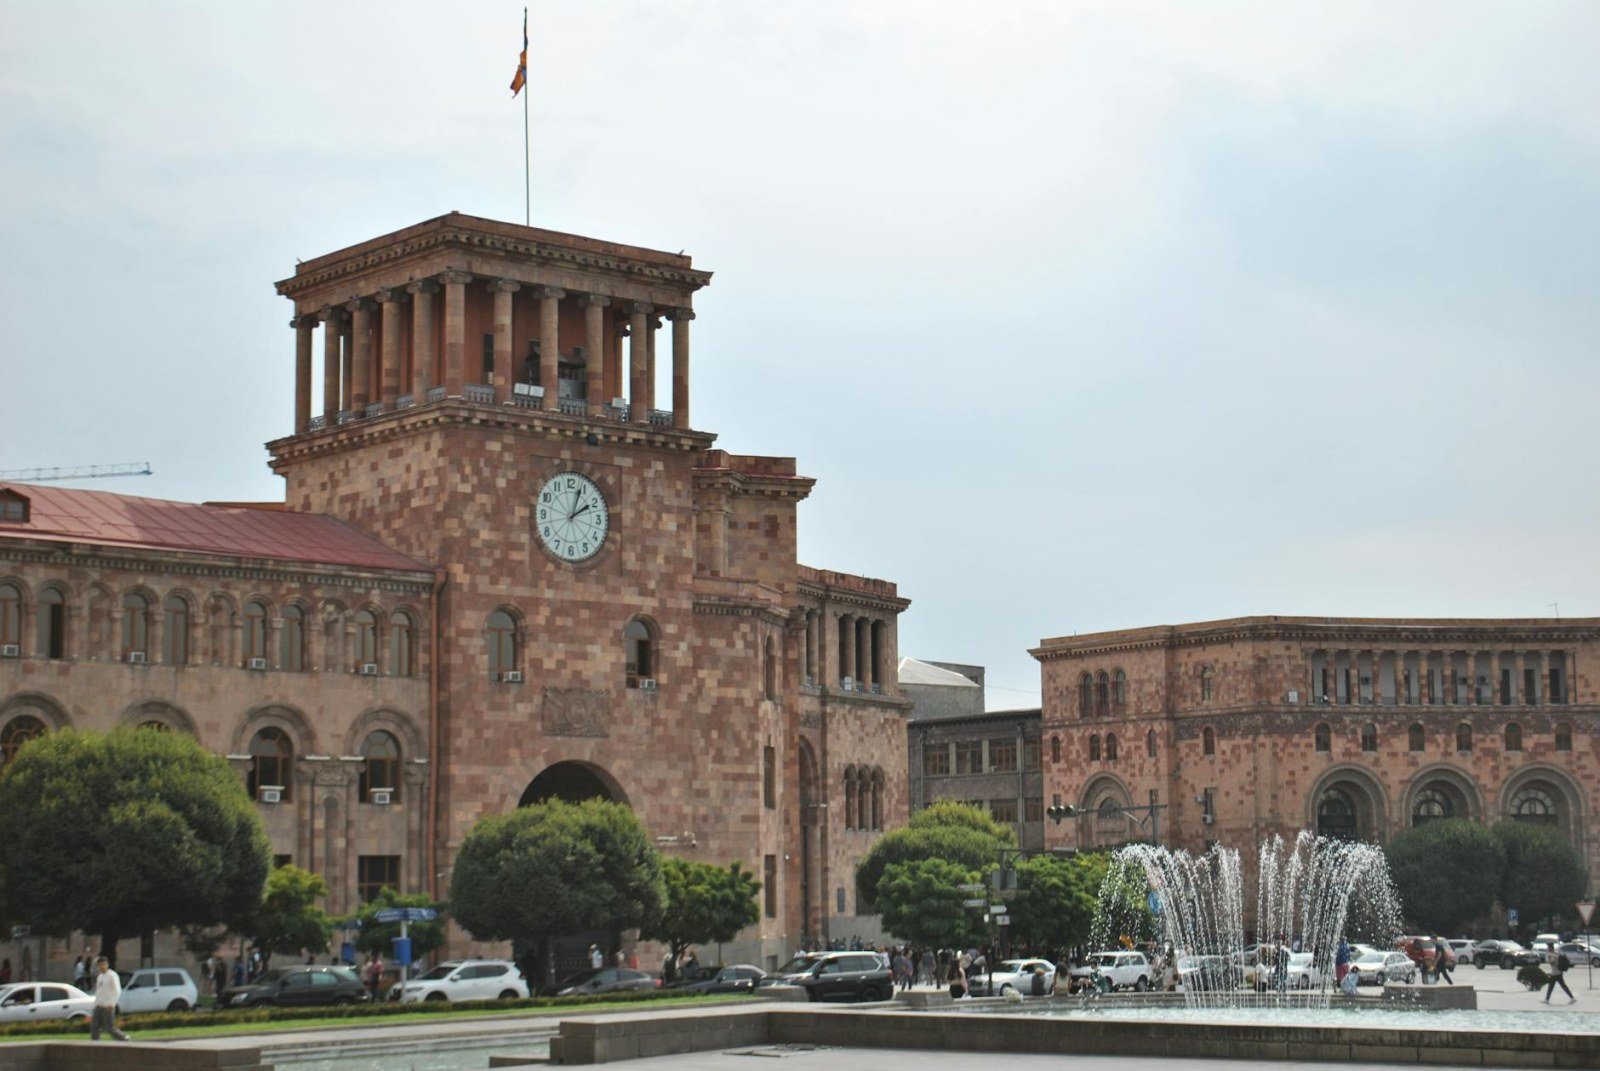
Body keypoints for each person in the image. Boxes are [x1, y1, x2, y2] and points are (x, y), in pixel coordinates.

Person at [90, 956, 130, 1041]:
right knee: (94, 1027)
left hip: (108, 1006)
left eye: (103, 964)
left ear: (107, 964)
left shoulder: (112, 975)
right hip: (99, 1006)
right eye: (100, 965)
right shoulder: (100, 977)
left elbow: (117, 990)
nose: (102, 967)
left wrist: (112, 1004)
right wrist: (95, 1004)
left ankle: (124, 1038)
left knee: (109, 1028)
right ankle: (94, 1045)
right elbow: (98, 992)